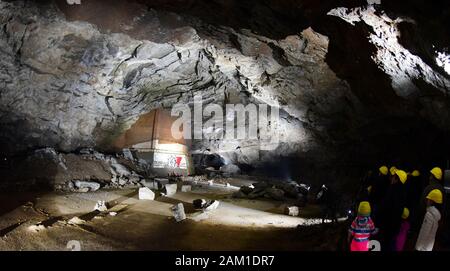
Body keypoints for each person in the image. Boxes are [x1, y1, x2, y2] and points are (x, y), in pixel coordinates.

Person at [378, 169, 408, 251]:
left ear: (397, 179)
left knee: (384, 244)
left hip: (387, 225)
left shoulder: (392, 190)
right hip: (395, 226)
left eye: (394, 177)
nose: (392, 178)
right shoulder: (403, 192)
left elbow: (384, 207)